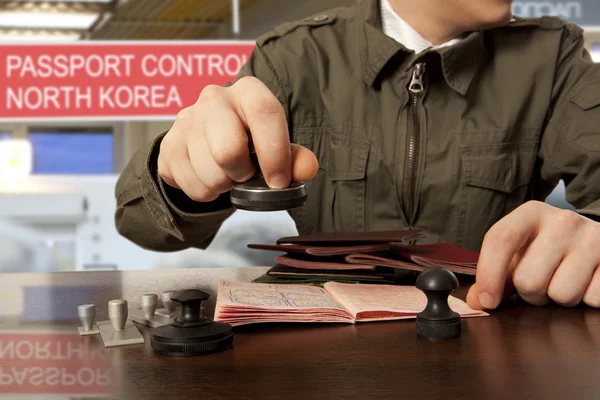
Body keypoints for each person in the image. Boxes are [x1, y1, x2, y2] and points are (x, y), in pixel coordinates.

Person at [114, 0, 600, 310]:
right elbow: (141, 224)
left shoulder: (553, 56)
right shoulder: (295, 57)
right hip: (323, 356)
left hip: (487, 344)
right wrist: (177, 178)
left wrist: (591, 235)